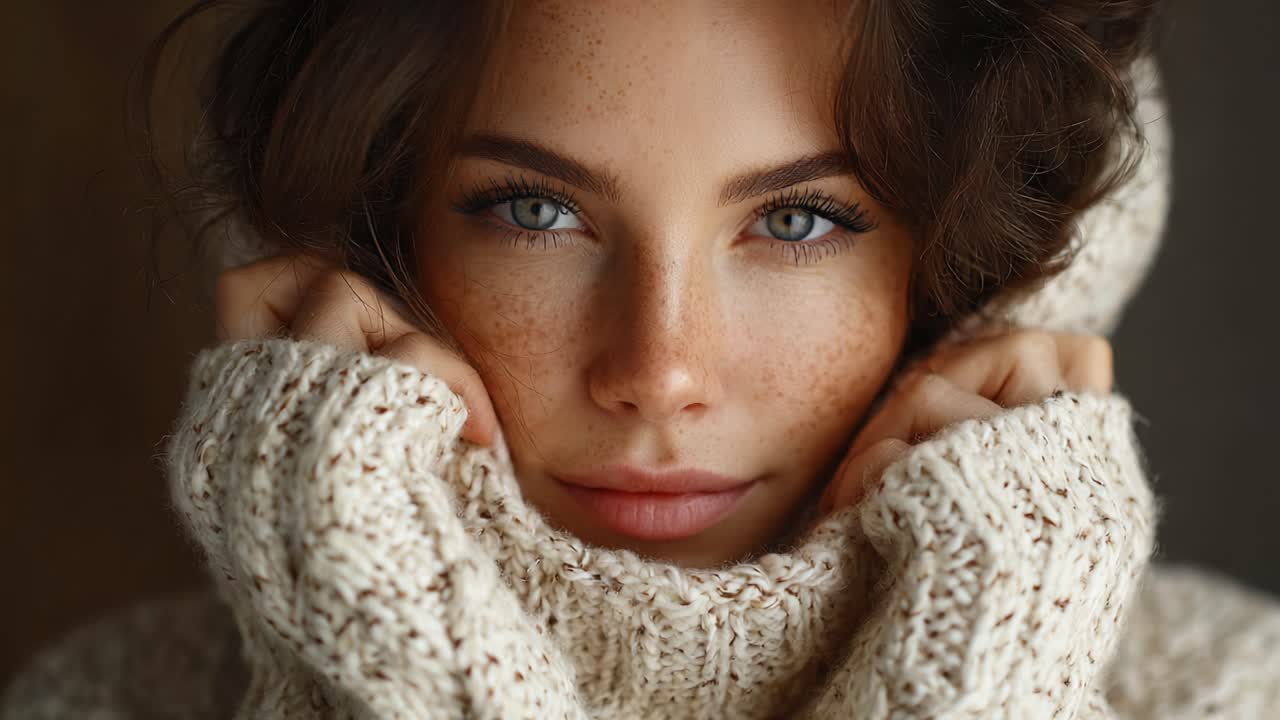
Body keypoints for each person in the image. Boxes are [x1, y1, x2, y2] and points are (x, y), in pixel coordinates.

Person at [5, 1, 1279, 718]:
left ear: (971, 277)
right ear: (365, 240)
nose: (659, 370)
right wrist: (365, 633)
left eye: (798, 221)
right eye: (532, 210)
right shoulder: (109, 702)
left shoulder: (1224, 693)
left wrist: (994, 657)